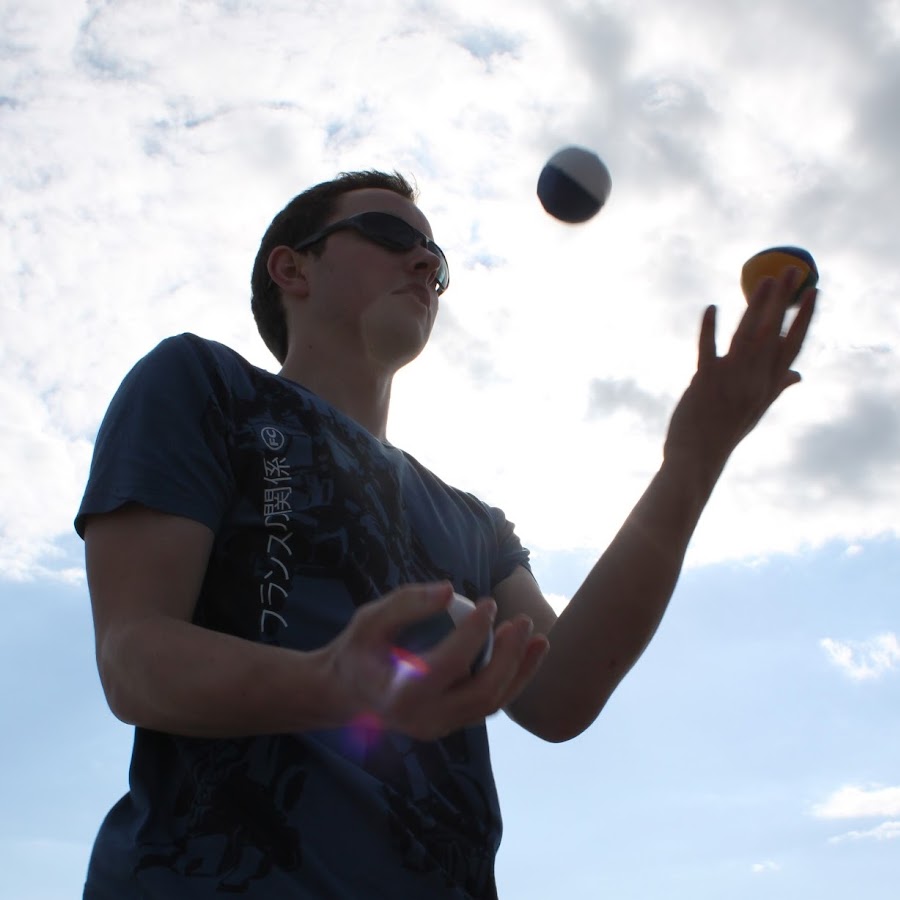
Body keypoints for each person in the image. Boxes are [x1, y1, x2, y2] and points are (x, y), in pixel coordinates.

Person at [76, 169, 816, 899]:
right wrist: (333, 684)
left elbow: (559, 694)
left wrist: (695, 458)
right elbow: (134, 657)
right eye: (390, 235)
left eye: (436, 259)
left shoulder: (474, 522)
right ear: (292, 268)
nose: (425, 263)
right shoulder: (206, 384)